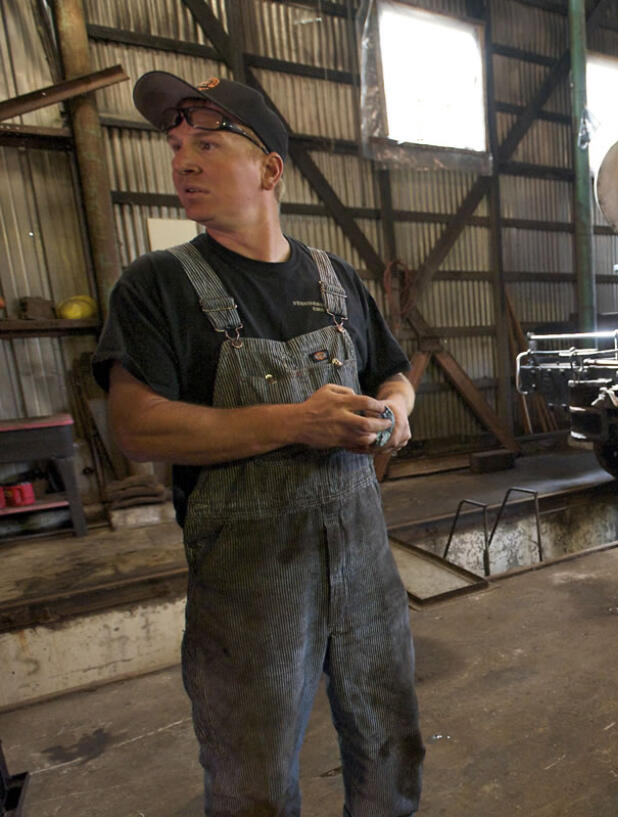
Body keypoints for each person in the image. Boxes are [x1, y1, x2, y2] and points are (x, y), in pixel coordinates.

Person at [93, 71, 424, 816]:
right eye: (178, 145)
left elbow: (395, 371)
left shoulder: (335, 278)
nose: (183, 161)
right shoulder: (157, 286)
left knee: (390, 744)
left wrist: (396, 408)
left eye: (208, 143)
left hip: (363, 555)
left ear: (271, 169)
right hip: (248, 575)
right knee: (252, 776)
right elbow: (137, 425)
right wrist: (293, 421)